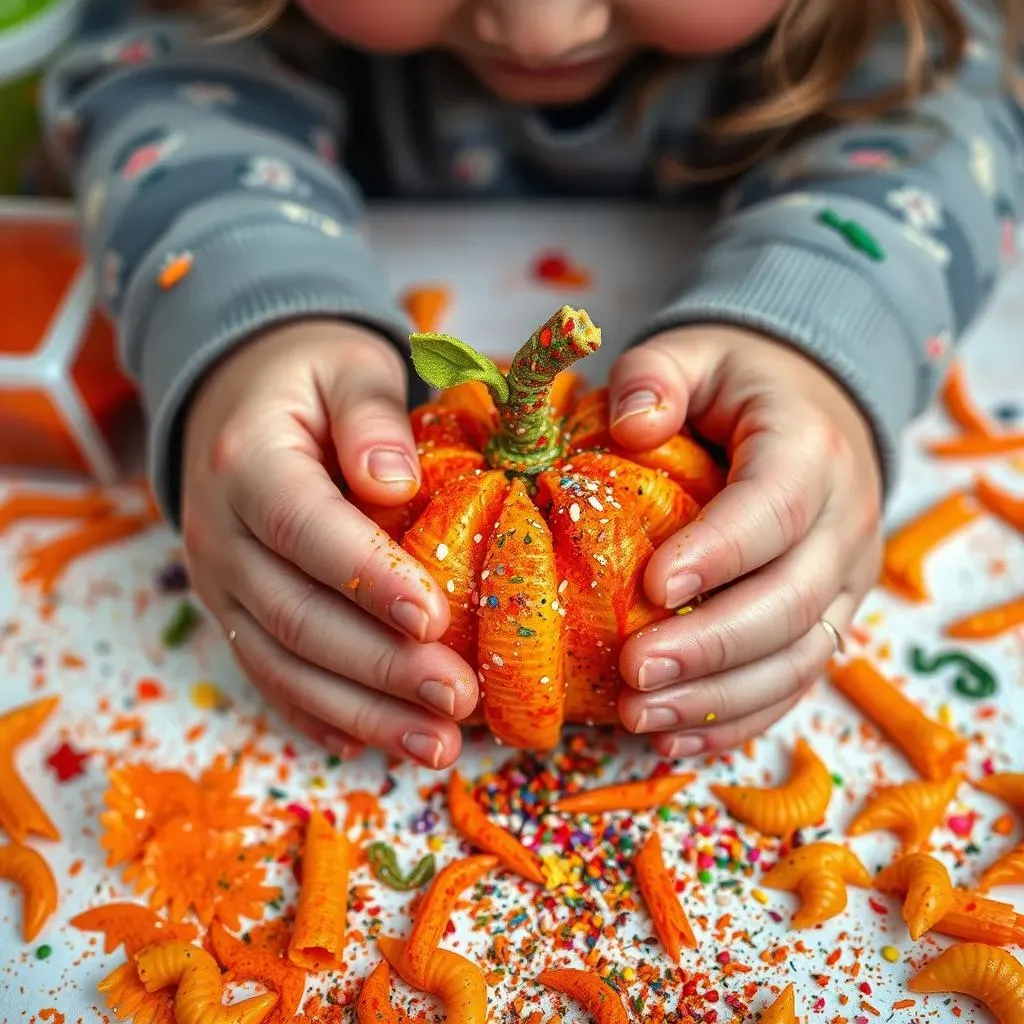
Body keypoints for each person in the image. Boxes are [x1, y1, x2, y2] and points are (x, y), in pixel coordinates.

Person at [44, 0, 1022, 769]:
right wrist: (239, 322)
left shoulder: (885, 28)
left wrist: (826, 328)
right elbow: (154, 85)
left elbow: (943, 128)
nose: (540, 24)